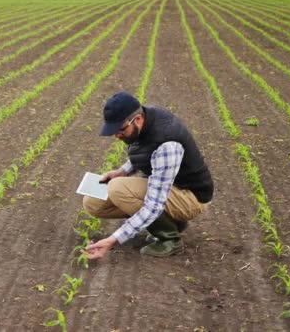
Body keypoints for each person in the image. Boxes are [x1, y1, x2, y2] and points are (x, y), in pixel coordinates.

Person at [82, 91, 213, 258]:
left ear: (137, 120)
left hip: (190, 197)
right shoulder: (143, 120)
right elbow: (145, 151)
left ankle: (170, 239)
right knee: (93, 202)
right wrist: (122, 171)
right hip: (170, 187)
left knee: (118, 189)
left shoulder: (167, 144)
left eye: (120, 130)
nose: (117, 135)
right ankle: (171, 222)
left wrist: (113, 240)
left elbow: (155, 204)